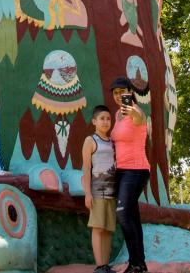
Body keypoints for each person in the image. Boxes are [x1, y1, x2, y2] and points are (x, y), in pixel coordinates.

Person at [109, 77, 150, 273]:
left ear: (130, 91)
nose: (119, 96)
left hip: (136, 170)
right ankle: (138, 264)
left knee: (123, 214)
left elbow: (140, 118)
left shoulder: (134, 111)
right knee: (132, 217)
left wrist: (134, 110)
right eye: (115, 93)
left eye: (122, 92)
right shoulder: (117, 115)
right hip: (122, 171)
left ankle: (136, 262)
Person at [82, 105, 117, 273]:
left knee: (108, 229)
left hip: (112, 191)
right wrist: (87, 193)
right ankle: (99, 266)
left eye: (108, 118)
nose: (105, 121)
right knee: (98, 227)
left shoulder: (113, 142)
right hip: (97, 191)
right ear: (94, 121)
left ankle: (106, 264)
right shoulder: (90, 140)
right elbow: (86, 169)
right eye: (102, 118)